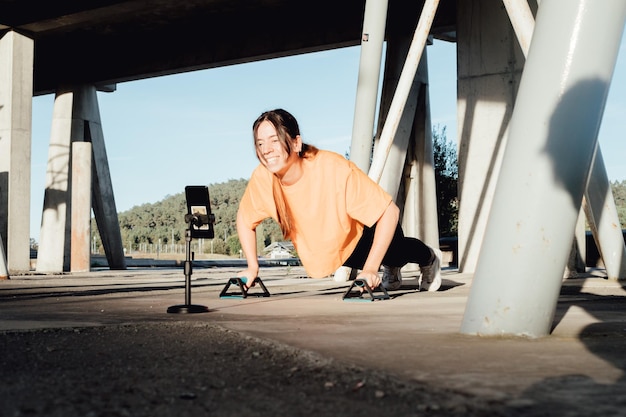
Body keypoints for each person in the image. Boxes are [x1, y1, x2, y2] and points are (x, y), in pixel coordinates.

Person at [236, 108, 442, 291]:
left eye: (274, 140)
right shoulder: (263, 178)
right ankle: (388, 264)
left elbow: (389, 212)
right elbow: (245, 220)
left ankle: (429, 258)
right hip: (339, 246)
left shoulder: (330, 167)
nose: (266, 150)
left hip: (366, 229)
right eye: (260, 143)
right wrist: (252, 267)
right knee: (367, 258)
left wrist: (371, 269)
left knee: (395, 253)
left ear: (296, 143)